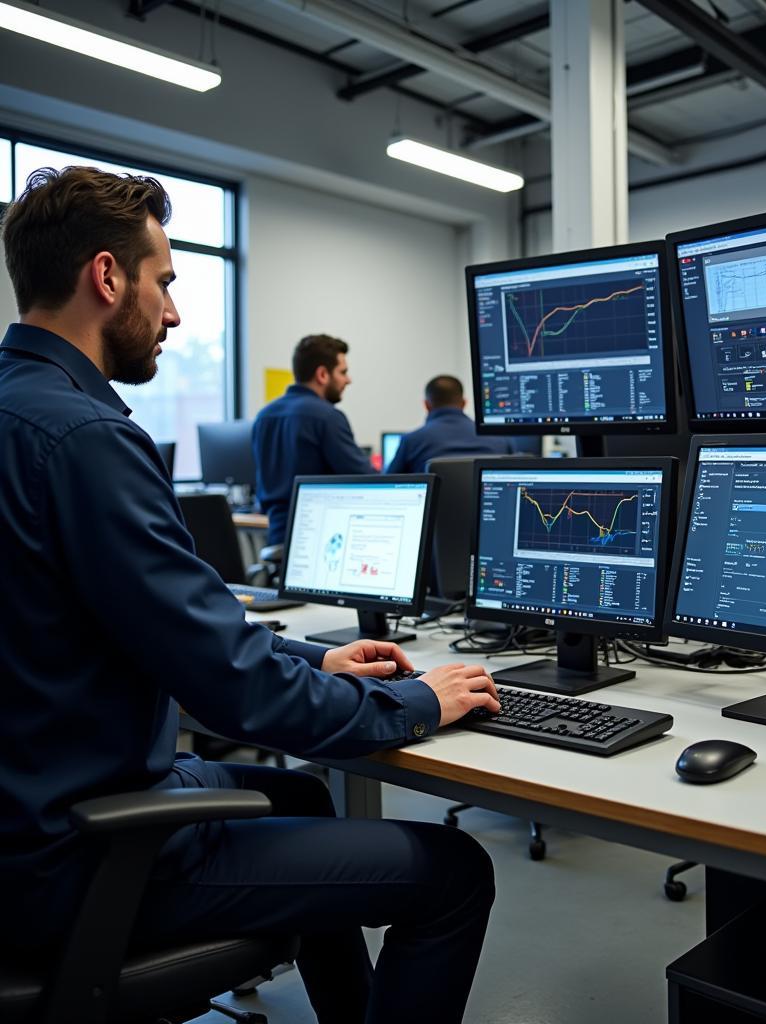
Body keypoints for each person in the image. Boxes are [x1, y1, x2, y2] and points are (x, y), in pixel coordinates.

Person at [0, 166, 501, 1024]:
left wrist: (321, 657)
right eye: (165, 282)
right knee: (455, 875)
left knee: (303, 793)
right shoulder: (86, 438)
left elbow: (183, 629)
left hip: (36, 802)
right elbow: (228, 685)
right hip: (71, 856)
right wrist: (414, 703)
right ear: (107, 276)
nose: (175, 313)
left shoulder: (22, 408)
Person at [253, 334, 374, 544]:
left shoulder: (264, 416)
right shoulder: (326, 417)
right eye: (343, 372)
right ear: (322, 374)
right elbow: (366, 480)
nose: (348, 380)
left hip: (276, 537)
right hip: (319, 540)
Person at [386, 374, 514, 473]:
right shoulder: (500, 439)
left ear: (426, 405)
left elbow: (389, 484)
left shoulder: (411, 441)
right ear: (464, 403)